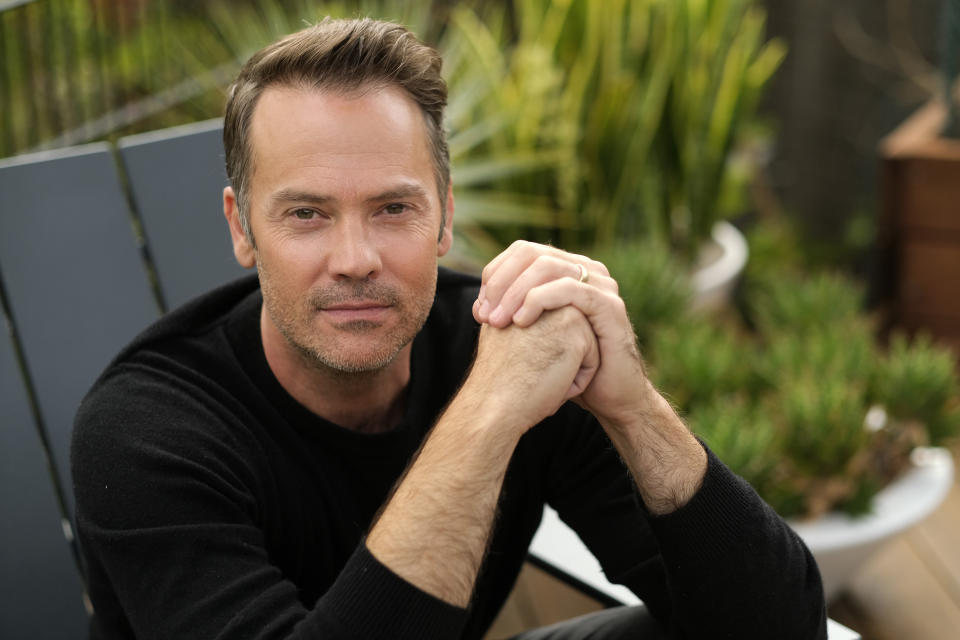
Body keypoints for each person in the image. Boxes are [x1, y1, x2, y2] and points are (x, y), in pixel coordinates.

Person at [71, 17, 826, 640]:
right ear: (242, 228)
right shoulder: (145, 435)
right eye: (306, 214)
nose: (355, 259)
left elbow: (785, 627)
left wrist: (633, 408)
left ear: (445, 215)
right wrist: (489, 414)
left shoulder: (505, 342)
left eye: (393, 208)